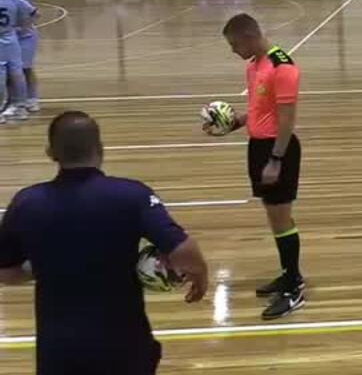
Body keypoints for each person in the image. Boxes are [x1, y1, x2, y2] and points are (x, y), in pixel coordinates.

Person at [0, 112, 209, 374]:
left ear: (50, 152)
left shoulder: (26, 202)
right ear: (100, 149)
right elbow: (184, 251)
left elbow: (6, 271)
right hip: (124, 346)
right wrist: (201, 275)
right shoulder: (133, 195)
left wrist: (42, 266)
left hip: (59, 351)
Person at [212, 15, 306, 320]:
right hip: (258, 147)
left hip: (278, 150)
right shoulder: (254, 66)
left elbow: (286, 122)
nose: (232, 51)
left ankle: (294, 288)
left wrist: (276, 160)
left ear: (250, 37)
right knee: (274, 217)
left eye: (234, 44)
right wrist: (232, 123)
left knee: (282, 219)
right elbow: (257, 110)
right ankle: (288, 273)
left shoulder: (282, 67)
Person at [0, 0, 34, 123]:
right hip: (11, 37)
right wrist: (24, 27)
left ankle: (1, 110)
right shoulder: (15, 0)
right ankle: (20, 107)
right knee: (17, 73)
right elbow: (34, 13)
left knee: (1, 75)